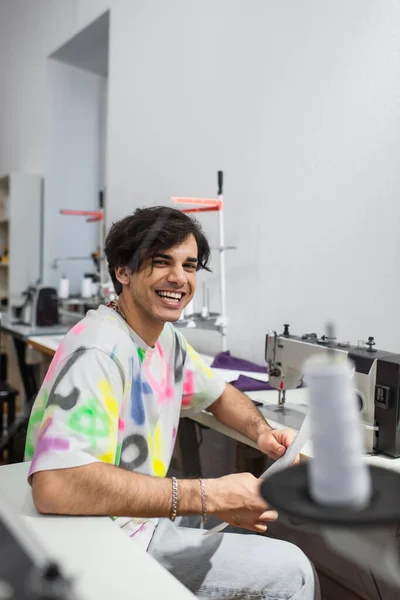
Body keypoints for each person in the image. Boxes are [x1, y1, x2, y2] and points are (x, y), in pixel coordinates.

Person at [25, 206, 320, 599]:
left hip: (136, 522)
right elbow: (55, 485)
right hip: (103, 536)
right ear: (123, 271)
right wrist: (207, 494)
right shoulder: (99, 349)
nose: (179, 278)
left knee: (241, 526)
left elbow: (218, 394)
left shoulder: (166, 340)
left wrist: (262, 433)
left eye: (189, 265)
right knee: (294, 571)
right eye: (161, 262)